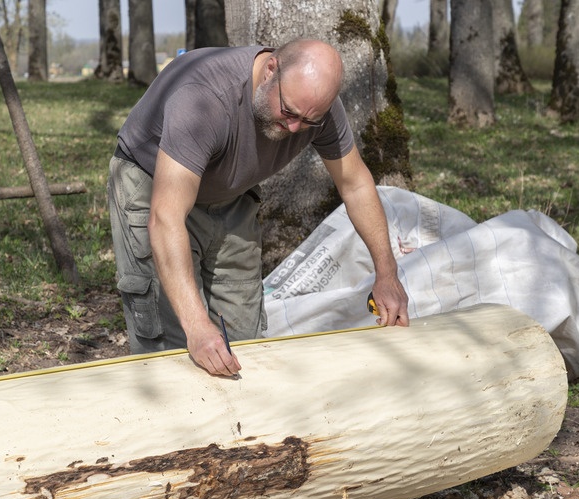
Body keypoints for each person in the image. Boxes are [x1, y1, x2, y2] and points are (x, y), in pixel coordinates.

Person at [108, 38, 409, 377]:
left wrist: (387, 274)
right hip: (154, 186)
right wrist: (196, 326)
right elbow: (166, 217)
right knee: (176, 346)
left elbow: (355, 185)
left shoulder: (314, 108)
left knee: (247, 338)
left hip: (230, 191)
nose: (294, 128)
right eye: (289, 112)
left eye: (308, 122)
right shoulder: (204, 99)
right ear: (270, 71)